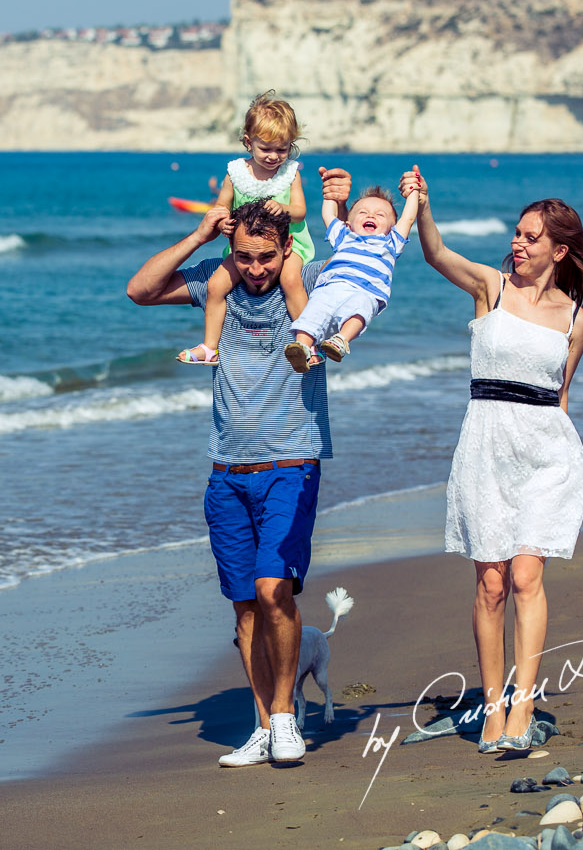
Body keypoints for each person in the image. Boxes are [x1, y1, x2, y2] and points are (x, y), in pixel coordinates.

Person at [127, 170, 351, 767]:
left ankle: (284, 718)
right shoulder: (217, 281)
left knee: (273, 588)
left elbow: (365, 267)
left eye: (268, 258)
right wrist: (201, 235)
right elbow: (140, 290)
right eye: (246, 257)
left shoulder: (309, 284)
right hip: (226, 469)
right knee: (244, 605)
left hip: (291, 461)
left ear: (286, 251)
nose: (257, 269)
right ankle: (261, 724)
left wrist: (343, 205)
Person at [400, 165, 583, 753]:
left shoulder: (577, 319)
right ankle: (493, 705)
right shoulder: (490, 288)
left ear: (559, 248)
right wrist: (422, 204)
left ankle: (522, 707)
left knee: (527, 575)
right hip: (485, 445)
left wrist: (558, 456)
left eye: (529, 236)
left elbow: (560, 395)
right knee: (491, 584)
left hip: (546, 453)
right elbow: (436, 254)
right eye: (516, 234)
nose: (517, 244)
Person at [177, 91, 314, 366]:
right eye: (266, 149)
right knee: (216, 285)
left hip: (289, 245)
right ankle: (210, 347)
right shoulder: (235, 173)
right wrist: (223, 221)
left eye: (282, 149)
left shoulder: (290, 173)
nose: (274, 156)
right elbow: (221, 206)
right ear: (248, 143)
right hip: (243, 248)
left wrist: (284, 208)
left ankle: (307, 343)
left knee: (290, 281)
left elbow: (300, 211)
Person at [284, 184, 417, 372]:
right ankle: (302, 347)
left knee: (361, 308)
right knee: (313, 311)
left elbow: (408, 218)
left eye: (380, 215)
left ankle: (341, 340)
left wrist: (414, 192)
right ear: (348, 223)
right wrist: (329, 194)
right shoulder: (345, 236)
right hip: (330, 287)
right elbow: (328, 215)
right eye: (363, 212)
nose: (371, 216)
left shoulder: (390, 243)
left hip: (366, 291)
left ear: (392, 228)